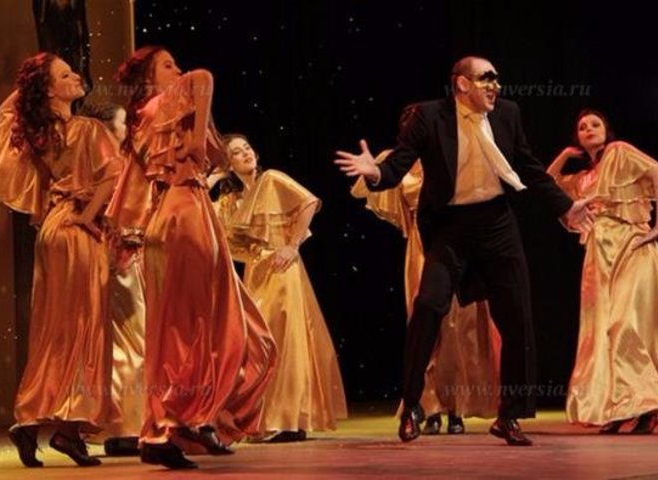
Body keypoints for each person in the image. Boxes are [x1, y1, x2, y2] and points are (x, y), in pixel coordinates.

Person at [335, 55, 593, 446]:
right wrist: (376, 173)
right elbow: (399, 166)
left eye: (497, 79)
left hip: (497, 223)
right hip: (450, 227)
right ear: (462, 84)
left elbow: (527, 166)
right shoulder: (429, 116)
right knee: (428, 307)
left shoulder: (507, 113)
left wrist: (565, 206)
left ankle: (509, 416)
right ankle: (413, 405)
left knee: (518, 317)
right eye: (487, 79)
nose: (496, 86)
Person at [109, 46, 277, 469]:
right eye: (167, 66)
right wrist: (199, 135)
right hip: (183, 215)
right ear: (148, 79)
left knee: (205, 323)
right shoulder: (162, 106)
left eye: (176, 65)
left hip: (183, 214)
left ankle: (184, 420)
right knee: (190, 325)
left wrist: (200, 138)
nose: (179, 71)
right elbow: (203, 77)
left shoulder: (153, 118)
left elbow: (134, 187)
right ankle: (169, 424)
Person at [0, 52, 122, 467]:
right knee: (84, 326)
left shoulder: (38, 136)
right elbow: (113, 177)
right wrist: (89, 220)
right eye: (65, 75)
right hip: (76, 231)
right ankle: (69, 428)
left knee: (55, 330)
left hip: (52, 231)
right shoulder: (88, 129)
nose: (77, 77)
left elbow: (3, 118)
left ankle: (32, 420)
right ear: (50, 90)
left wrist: (30, 89)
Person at [547, 109, 658, 434]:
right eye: (582, 127)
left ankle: (643, 404)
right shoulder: (584, 179)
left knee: (624, 324)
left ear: (607, 130)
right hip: (600, 254)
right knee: (602, 331)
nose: (589, 129)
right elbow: (547, 182)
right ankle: (622, 407)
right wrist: (565, 155)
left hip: (632, 246)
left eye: (595, 124)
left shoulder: (619, 151)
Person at [351, 150, 500, 435]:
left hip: (454, 245)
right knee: (425, 327)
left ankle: (456, 407)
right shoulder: (401, 164)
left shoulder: (453, 153)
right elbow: (365, 188)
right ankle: (429, 407)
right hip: (421, 250)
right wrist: (379, 164)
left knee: (456, 328)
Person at [213, 134, 347, 442]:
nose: (245, 154)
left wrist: (292, 245)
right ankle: (267, 416)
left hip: (283, 268)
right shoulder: (231, 201)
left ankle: (289, 419)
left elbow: (308, 202)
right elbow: (202, 216)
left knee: (285, 337)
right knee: (259, 343)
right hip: (256, 272)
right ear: (228, 163)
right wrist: (214, 177)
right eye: (236, 153)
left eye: (247, 148)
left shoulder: (271, 179)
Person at [79, 101, 144, 456]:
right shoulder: (110, 165)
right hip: (119, 257)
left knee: (122, 340)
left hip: (122, 256)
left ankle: (121, 426)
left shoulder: (118, 162)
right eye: (123, 122)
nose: (129, 128)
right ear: (106, 129)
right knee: (129, 339)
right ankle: (126, 427)